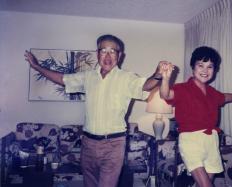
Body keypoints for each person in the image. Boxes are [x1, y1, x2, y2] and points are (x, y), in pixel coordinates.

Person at [24, 34, 164, 187]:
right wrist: (36, 66)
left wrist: (157, 75)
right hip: (88, 143)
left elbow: (145, 85)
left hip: (113, 144)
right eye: (104, 51)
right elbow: (62, 79)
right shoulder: (88, 77)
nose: (108, 56)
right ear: (97, 53)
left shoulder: (127, 78)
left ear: (120, 55)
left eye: (113, 51)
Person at [159, 46, 232, 187]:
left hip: (212, 140)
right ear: (193, 67)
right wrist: (165, 79)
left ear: (214, 70)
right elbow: (165, 94)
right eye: (200, 65)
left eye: (210, 67)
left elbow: (224, 97)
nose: (205, 70)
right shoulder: (182, 88)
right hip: (191, 141)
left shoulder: (212, 92)